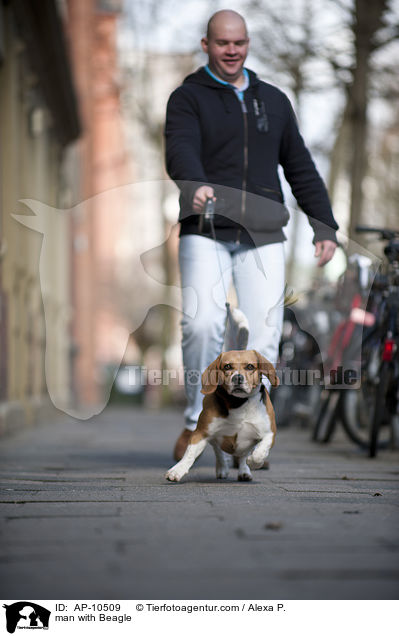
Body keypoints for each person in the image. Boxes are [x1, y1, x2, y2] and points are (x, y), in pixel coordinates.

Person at [164, 9, 339, 460]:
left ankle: (249, 429)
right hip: (206, 229)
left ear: (247, 43)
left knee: (262, 341)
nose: (231, 50)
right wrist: (195, 182)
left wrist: (324, 225)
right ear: (206, 45)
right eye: (222, 43)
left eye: (238, 42)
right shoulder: (188, 98)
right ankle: (193, 421)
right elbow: (180, 147)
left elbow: (299, 164)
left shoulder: (274, 101)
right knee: (200, 323)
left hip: (263, 236)